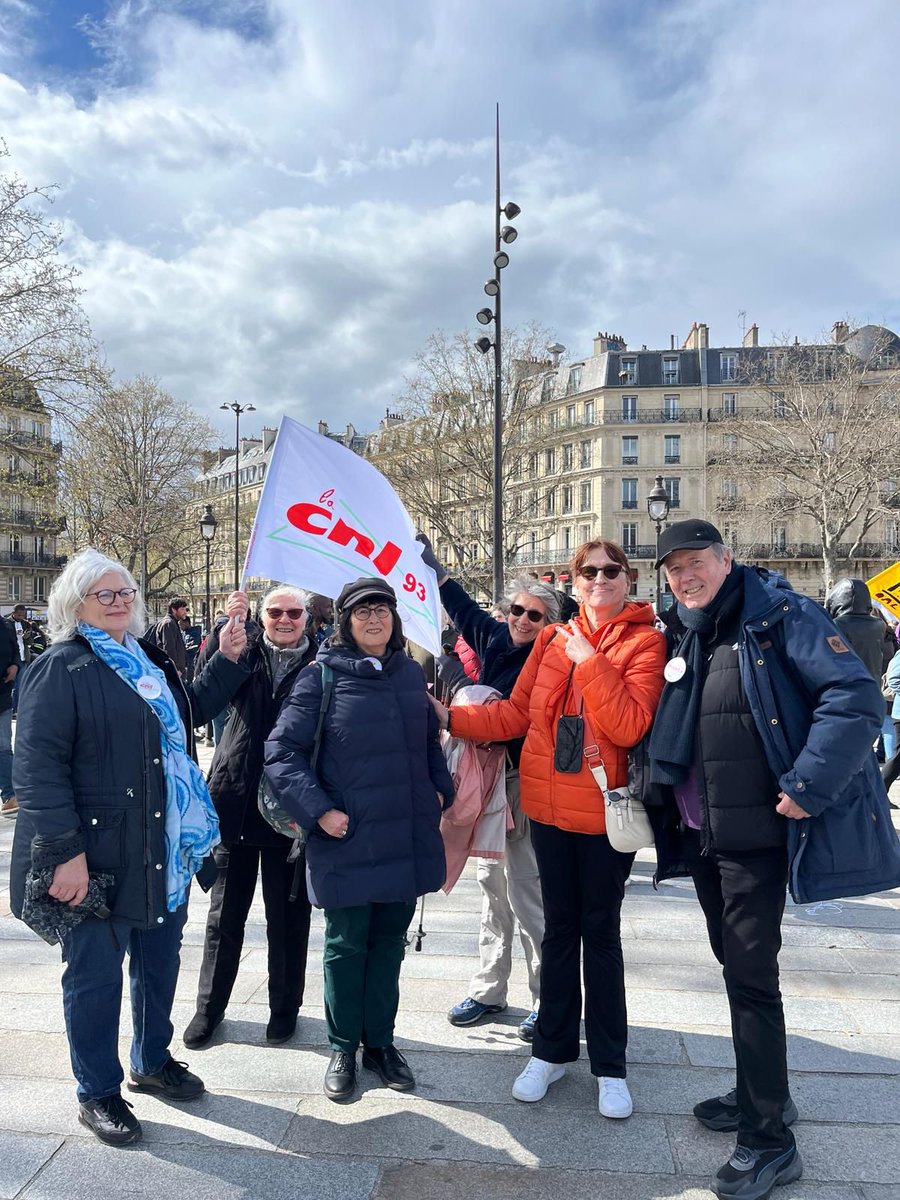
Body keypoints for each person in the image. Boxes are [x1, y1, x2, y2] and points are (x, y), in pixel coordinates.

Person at [649, 519, 900, 1200]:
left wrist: (806, 788)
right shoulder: (689, 630)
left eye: (695, 562)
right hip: (703, 830)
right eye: (673, 569)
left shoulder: (780, 616)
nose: (685, 577)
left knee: (752, 978)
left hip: (756, 833)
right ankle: (765, 1092)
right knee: (736, 969)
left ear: (726, 558)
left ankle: (769, 1141)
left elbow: (853, 700)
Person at [8, 550, 250, 1147]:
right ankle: (97, 1091)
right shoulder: (58, 667)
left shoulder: (149, 660)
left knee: (159, 960)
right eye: (104, 595)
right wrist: (63, 852)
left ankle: (150, 1059)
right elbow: (37, 768)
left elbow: (183, 718)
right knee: (94, 974)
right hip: (95, 849)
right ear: (75, 604)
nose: (120, 602)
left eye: (125, 593)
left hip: (161, 841)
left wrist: (228, 659)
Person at [430, 540, 665, 1119]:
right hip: (548, 809)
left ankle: (610, 1064)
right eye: (589, 571)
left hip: (605, 814)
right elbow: (514, 713)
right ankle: (551, 1051)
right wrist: (451, 717)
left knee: (600, 934)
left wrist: (590, 659)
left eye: (611, 571)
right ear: (575, 580)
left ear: (627, 580)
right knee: (558, 929)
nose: (599, 578)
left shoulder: (646, 641)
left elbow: (629, 725)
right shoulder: (552, 642)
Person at [264, 577, 454, 1101]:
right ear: (346, 621)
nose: (375, 619)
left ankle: (381, 1044)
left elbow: (427, 744)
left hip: (406, 833)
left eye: (383, 610)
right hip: (346, 836)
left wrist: (442, 789)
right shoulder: (320, 677)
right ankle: (343, 1046)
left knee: (389, 944)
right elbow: (281, 752)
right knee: (347, 946)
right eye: (363, 611)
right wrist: (320, 812)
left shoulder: (410, 675)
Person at [419, 539, 559, 1042]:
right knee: (489, 887)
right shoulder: (498, 639)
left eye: (535, 615)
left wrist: (451, 715)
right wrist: (433, 570)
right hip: (484, 777)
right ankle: (489, 988)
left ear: (551, 623)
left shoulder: (551, 657)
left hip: (521, 781)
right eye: (518, 610)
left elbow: (513, 721)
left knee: (527, 890)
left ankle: (549, 1000)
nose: (523, 620)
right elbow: (461, 606)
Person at [184, 585, 317, 1050]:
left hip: (291, 811)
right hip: (235, 798)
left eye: (294, 612)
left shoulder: (322, 662)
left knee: (288, 917)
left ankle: (284, 1009)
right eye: (275, 612)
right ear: (262, 617)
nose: (284, 619)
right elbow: (199, 702)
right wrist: (225, 641)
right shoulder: (241, 648)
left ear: (307, 618)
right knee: (224, 918)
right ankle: (209, 1009)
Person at [0, 614, 18, 816]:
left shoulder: (5, 625)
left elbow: (15, 651)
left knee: (4, 748)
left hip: (2, 694)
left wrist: (14, 665)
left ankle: (10, 796)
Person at [8, 602, 33, 714]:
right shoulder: (7, 623)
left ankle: (17, 709)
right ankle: (11, 709)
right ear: (13, 613)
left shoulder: (26, 624)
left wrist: (27, 637)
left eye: (23, 615)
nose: (21, 617)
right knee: (11, 686)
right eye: (19, 615)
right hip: (11, 660)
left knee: (21, 685)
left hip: (23, 658)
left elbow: (30, 641)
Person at [155, 596, 189, 677]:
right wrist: (175, 669)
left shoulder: (172, 623)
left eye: (185, 609)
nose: (185, 612)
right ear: (174, 609)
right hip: (175, 672)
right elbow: (169, 648)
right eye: (182, 609)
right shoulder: (169, 624)